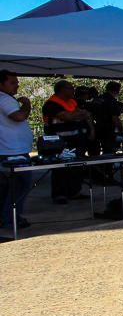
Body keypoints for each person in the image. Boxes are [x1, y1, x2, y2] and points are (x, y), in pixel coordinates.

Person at [42, 79, 92, 203]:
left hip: (77, 140)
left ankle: (74, 191)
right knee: (61, 168)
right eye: (70, 88)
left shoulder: (73, 102)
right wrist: (78, 114)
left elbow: (86, 114)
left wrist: (79, 115)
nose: (73, 90)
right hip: (59, 142)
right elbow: (68, 117)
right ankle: (59, 194)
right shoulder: (51, 104)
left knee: (77, 166)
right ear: (62, 90)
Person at [0, 70, 35, 231]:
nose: (17, 85)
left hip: (11, 149)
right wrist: (27, 103)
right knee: (20, 185)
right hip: (12, 151)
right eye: (12, 82)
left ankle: (7, 217)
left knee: (8, 187)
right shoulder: (4, 99)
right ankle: (10, 218)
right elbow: (19, 116)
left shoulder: (6, 99)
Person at [88, 81, 123, 155]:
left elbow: (90, 114)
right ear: (117, 90)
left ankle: (96, 165)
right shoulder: (112, 102)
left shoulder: (97, 99)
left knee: (94, 152)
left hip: (95, 128)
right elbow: (115, 119)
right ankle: (107, 166)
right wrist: (122, 131)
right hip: (108, 130)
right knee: (109, 152)